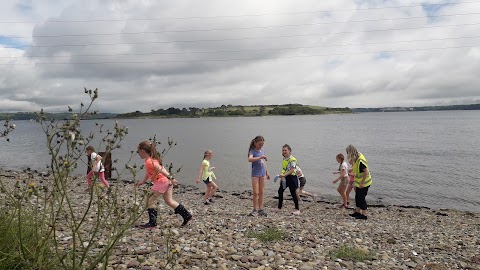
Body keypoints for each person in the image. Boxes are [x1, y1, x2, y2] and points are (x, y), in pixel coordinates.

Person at [135, 141, 192, 228]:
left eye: (137, 151)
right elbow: (149, 172)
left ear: (142, 151)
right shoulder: (151, 160)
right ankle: (186, 215)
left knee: (150, 201)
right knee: (169, 201)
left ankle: (152, 223)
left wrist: (171, 178)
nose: (138, 153)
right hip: (166, 182)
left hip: (161, 182)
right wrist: (143, 181)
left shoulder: (150, 161)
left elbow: (161, 169)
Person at [346, 145, 372, 220]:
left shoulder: (360, 160)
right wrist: (350, 170)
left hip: (365, 183)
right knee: (357, 197)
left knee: (361, 198)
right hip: (358, 182)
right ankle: (357, 212)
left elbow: (366, 172)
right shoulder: (356, 157)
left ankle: (364, 214)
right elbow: (356, 168)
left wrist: (362, 183)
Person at [247, 135, 270, 216]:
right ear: (255, 143)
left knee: (262, 192)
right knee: (256, 192)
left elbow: (264, 162)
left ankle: (261, 209)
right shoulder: (252, 151)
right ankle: (255, 209)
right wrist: (260, 157)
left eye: (262, 144)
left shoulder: (262, 151)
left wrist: (267, 172)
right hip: (255, 174)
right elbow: (249, 159)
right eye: (260, 144)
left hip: (262, 174)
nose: (261, 146)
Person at [276, 144, 301, 215]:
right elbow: (284, 169)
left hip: (292, 178)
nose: (284, 152)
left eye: (285, 150)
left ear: (289, 151)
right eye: (283, 150)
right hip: (285, 177)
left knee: (293, 193)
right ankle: (279, 208)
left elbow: (292, 170)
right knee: (280, 191)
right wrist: (282, 177)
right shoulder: (284, 159)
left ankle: (297, 209)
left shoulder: (292, 159)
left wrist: (283, 175)